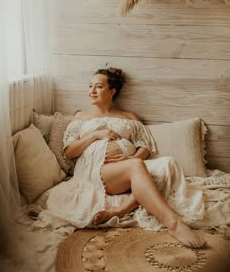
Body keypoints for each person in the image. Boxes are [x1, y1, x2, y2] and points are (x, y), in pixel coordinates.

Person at [45, 67, 206, 248]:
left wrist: (133, 157)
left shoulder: (129, 117)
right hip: (95, 172)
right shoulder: (81, 117)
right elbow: (69, 152)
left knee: (168, 163)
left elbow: (145, 146)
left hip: (124, 173)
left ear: (112, 91)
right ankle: (174, 223)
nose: (91, 91)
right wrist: (95, 136)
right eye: (90, 86)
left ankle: (120, 209)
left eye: (98, 87)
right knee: (136, 166)